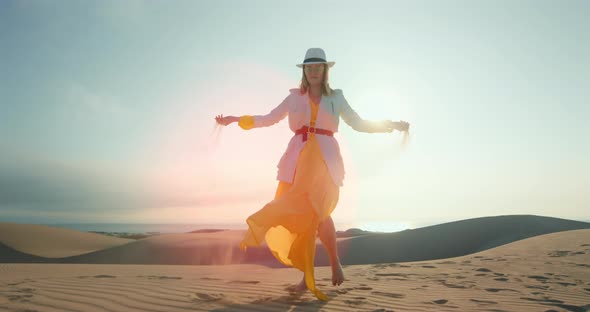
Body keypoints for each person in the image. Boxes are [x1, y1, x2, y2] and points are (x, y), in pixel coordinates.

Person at [215, 48, 410, 300]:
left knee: (320, 212)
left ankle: (334, 260)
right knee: (302, 217)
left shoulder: (337, 98)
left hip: (325, 162)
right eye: (309, 67)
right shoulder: (294, 98)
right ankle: (306, 277)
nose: (314, 71)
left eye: (318, 66)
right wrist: (234, 119)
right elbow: (268, 118)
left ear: (325, 70)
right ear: (304, 71)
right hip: (297, 161)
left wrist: (390, 125)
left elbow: (359, 123)